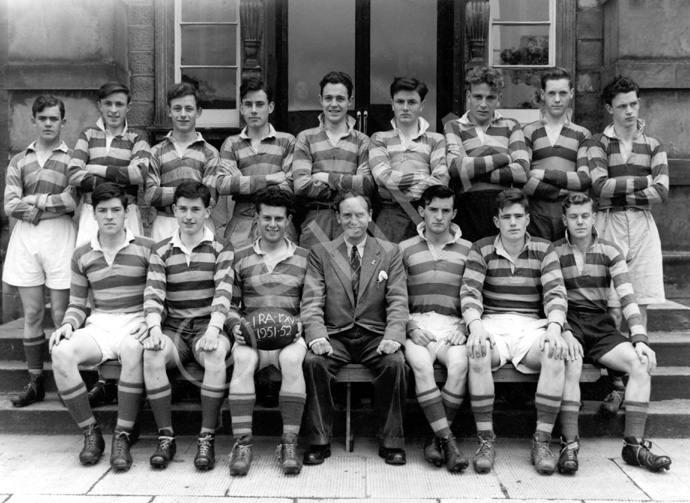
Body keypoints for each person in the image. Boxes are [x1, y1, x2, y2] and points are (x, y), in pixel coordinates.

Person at [554, 192, 672, 473]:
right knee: (570, 363)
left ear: (593, 217)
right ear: (564, 220)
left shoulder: (610, 250)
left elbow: (627, 296)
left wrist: (640, 338)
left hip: (599, 323)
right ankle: (569, 444)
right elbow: (551, 297)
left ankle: (633, 446)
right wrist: (565, 330)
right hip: (569, 322)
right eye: (574, 217)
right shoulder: (554, 251)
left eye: (585, 216)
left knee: (641, 363)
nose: (580, 222)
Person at [460, 188, 568, 475]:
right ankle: (486, 441)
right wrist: (476, 327)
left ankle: (542, 442)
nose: (513, 223)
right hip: (492, 323)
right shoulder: (481, 247)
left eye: (518, 216)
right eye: (506, 217)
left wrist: (555, 328)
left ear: (528, 219)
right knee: (478, 351)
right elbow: (470, 292)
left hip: (530, 325)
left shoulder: (545, 249)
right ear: (496, 221)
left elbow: (555, 293)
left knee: (554, 353)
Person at [48, 183, 154, 470]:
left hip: (134, 323)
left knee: (133, 349)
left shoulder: (147, 248)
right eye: (102, 211)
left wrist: (151, 320)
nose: (109, 217)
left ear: (127, 212)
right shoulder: (82, 253)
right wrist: (69, 324)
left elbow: (159, 294)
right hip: (100, 324)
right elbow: (77, 303)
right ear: (93, 214)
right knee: (61, 352)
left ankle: (122, 435)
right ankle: (91, 433)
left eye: (116, 210)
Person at [301, 190, 409, 466]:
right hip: (335, 335)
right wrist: (316, 336)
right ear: (337, 218)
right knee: (314, 363)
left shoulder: (389, 251)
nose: (354, 221)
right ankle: (318, 441)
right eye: (347, 215)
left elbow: (397, 299)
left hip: (375, 335)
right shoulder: (321, 253)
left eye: (360, 214)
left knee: (395, 363)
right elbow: (312, 300)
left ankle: (391, 441)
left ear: (370, 216)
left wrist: (394, 336)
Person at [587, 75, 670, 416]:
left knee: (642, 306)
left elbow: (662, 190)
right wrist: (643, 182)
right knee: (614, 308)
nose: (629, 111)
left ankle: (636, 383)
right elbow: (598, 186)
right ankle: (616, 385)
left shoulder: (653, 144)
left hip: (642, 226)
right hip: (608, 225)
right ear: (609, 109)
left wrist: (629, 186)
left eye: (634, 103)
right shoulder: (596, 143)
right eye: (621, 106)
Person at [143, 182, 234, 471]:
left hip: (207, 326)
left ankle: (206, 437)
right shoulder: (162, 250)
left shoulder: (221, 248)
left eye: (196, 209)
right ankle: (166, 437)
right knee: (153, 354)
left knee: (216, 354)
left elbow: (223, 292)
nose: (189, 216)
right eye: (182, 209)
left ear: (208, 211)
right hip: (173, 328)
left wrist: (214, 329)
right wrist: (154, 328)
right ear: (174, 210)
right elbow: (154, 293)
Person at [225, 186, 309, 476]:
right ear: (256, 219)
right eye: (266, 218)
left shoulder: (304, 258)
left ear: (288, 221)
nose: (272, 224)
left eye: (279, 218)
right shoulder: (240, 256)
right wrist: (235, 326)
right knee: (244, 361)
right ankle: (242, 444)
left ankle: (288, 443)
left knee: (292, 360)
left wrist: (301, 324)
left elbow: (312, 303)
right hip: (252, 337)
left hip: (289, 338)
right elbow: (230, 303)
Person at [3, 95, 79, 407]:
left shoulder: (73, 159)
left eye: (54, 118)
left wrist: (34, 201)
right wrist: (45, 208)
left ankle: (65, 382)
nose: (48, 123)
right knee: (33, 312)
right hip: (26, 239)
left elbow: (73, 200)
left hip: (60, 237)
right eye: (42, 118)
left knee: (62, 314)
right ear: (34, 121)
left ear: (63, 122)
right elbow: (10, 203)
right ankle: (35, 381)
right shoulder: (19, 160)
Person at [399, 185, 471, 472]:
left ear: (454, 213)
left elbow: (478, 293)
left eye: (445, 211)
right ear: (422, 211)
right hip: (418, 324)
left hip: (453, 324)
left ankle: (435, 438)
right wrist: (410, 327)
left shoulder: (470, 249)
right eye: (433, 210)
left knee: (459, 366)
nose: (439, 217)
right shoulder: (403, 249)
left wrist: (466, 326)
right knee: (421, 366)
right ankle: (449, 443)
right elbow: (393, 296)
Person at [444, 66, 529, 242]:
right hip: (467, 207)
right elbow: (456, 169)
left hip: (503, 207)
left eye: (490, 98)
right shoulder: (454, 126)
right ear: (468, 97)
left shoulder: (511, 125)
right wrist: (504, 158)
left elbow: (521, 171)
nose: (483, 104)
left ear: (499, 99)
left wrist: (473, 169)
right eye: (477, 97)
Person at [293, 71, 373, 249]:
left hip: (351, 221)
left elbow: (366, 185)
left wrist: (325, 177)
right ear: (320, 99)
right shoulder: (306, 138)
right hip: (315, 221)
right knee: (314, 274)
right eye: (328, 98)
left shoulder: (362, 141)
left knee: (349, 275)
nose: (334, 104)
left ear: (350, 101)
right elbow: (301, 185)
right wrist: (346, 185)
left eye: (340, 98)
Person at [217, 78, 297, 249]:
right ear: (241, 108)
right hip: (241, 223)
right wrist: (271, 178)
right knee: (238, 270)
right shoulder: (231, 143)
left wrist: (242, 181)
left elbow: (290, 186)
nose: (253, 110)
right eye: (248, 104)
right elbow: (222, 184)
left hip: (277, 221)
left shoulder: (287, 141)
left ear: (271, 107)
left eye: (259, 104)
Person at [68, 81, 150, 245]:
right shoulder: (88, 135)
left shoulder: (137, 137)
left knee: (129, 266)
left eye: (119, 104)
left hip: (127, 212)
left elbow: (139, 174)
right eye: (108, 104)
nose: (113, 110)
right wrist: (118, 180)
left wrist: (95, 168)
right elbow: (73, 174)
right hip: (93, 212)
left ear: (128, 107)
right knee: (91, 265)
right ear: (100, 105)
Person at [369, 77, 449, 243]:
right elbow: (383, 178)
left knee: (422, 266)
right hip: (390, 216)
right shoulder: (379, 138)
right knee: (385, 266)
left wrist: (394, 192)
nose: (405, 107)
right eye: (400, 101)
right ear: (392, 104)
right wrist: (421, 178)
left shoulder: (436, 139)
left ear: (422, 105)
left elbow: (441, 180)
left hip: (424, 213)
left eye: (412, 102)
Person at [522, 67, 592, 242]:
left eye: (563, 93)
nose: (557, 99)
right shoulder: (529, 131)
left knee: (568, 264)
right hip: (535, 212)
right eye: (552, 93)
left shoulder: (582, 134)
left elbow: (584, 179)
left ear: (572, 94)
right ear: (543, 94)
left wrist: (542, 174)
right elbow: (522, 179)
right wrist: (564, 187)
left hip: (570, 212)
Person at [145, 82, 220, 243]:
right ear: (169, 112)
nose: (183, 114)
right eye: (177, 108)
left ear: (198, 112)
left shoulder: (210, 153)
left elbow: (210, 199)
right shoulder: (156, 152)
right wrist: (194, 191)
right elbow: (150, 195)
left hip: (200, 224)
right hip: (165, 223)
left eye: (189, 109)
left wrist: (167, 193)